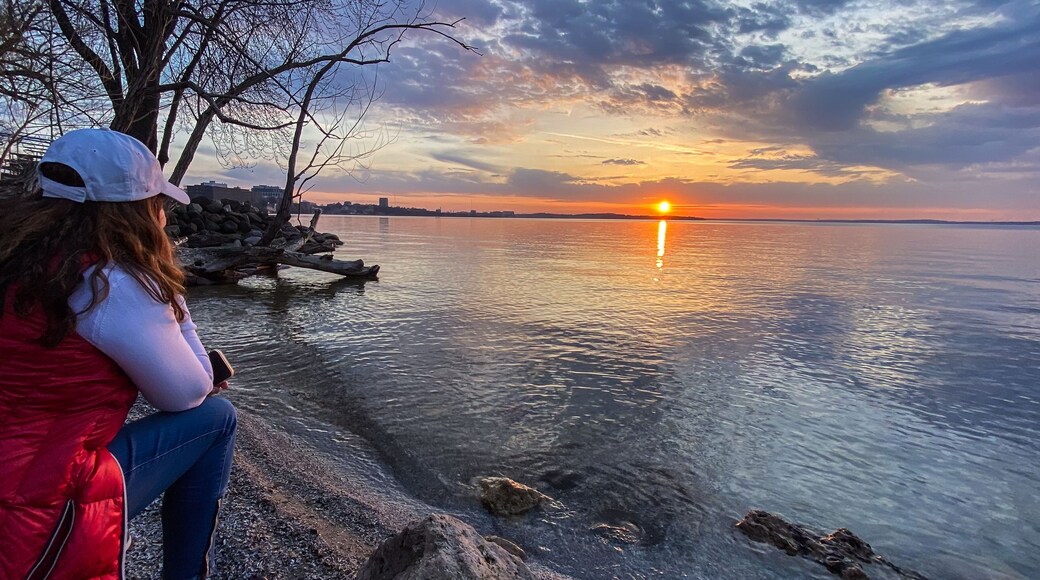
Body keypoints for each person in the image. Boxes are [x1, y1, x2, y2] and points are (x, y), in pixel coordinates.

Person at [0, 128, 237, 579]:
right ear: (137, 210)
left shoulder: (18, 258)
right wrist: (165, 285)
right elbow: (184, 394)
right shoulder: (108, 282)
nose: (163, 213)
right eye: (158, 203)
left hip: (14, 465)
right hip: (33, 507)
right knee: (217, 417)